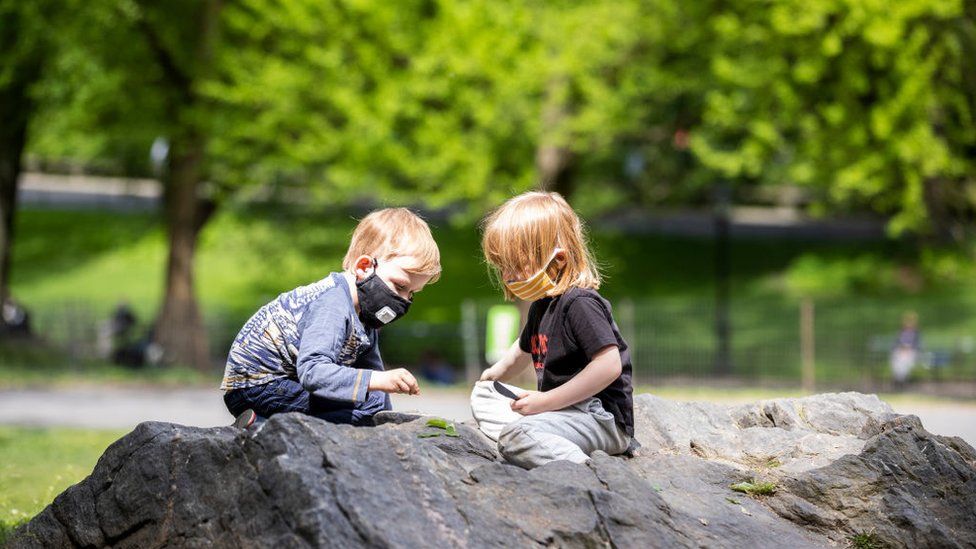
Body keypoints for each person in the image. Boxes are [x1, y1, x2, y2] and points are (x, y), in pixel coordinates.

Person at [220, 208, 441, 428]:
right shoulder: (333, 303)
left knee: (373, 401)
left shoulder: (365, 312)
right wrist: (378, 382)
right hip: (257, 387)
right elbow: (313, 372)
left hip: (289, 383)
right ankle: (263, 426)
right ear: (364, 267)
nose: (403, 300)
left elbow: (374, 382)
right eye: (400, 286)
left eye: (412, 293)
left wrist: (388, 422)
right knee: (363, 409)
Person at [471, 191, 638, 469]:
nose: (508, 277)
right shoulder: (541, 306)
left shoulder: (580, 303)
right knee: (484, 397)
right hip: (561, 412)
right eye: (503, 268)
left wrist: (545, 402)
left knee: (517, 434)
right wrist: (494, 374)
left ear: (557, 259)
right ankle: (537, 443)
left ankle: (583, 470)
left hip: (598, 417)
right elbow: (522, 350)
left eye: (515, 265)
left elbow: (609, 366)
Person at [890, 311, 921, 387]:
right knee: (897, 360)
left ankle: (901, 380)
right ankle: (899, 379)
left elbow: (919, 345)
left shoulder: (917, 333)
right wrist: (901, 348)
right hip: (900, 351)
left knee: (905, 360)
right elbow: (895, 344)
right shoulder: (900, 332)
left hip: (912, 352)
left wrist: (909, 348)